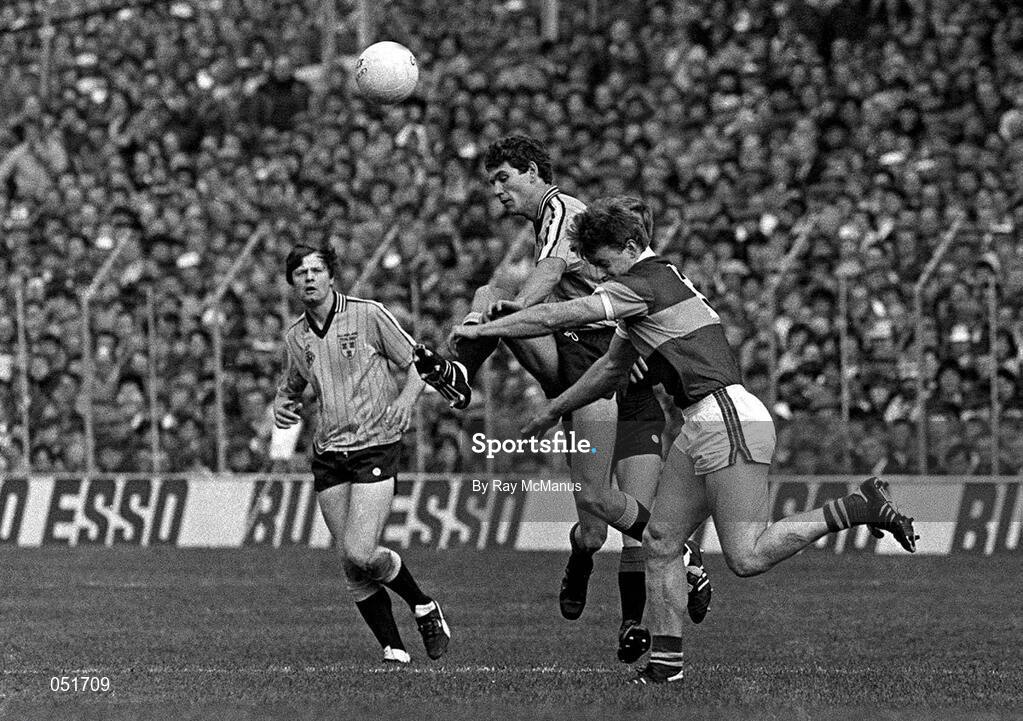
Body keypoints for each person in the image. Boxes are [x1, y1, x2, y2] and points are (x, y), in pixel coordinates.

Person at [451, 197, 918, 683]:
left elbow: (556, 317)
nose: (601, 275)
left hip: (727, 417)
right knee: (659, 539)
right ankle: (665, 667)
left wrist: (489, 326)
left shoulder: (643, 284)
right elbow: (609, 369)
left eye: (605, 264)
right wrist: (553, 409)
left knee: (746, 556)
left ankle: (858, 507)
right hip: (699, 423)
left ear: (631, 247)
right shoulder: (650, 294)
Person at [414, 137, 710, 663]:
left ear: (532, 172)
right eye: (492, 182)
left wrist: (509, 317)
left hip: (615, 366)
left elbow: (551, 278)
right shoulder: (563, 229)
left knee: (625, 528)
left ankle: (631, 626)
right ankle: (609, 554)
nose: (497, 191)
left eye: (504, 178)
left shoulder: (563, 211)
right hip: (585, 364)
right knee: (596, 517)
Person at [273, 242, 450, 665]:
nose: (309, 277)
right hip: (328, 452)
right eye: (300, 272)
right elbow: (293, 383)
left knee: (359, 551)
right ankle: (394, 648)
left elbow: (418, 364)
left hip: (375, 443)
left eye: (316, 270)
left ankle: (423, 606)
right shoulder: (296, 336)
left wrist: (406, 402)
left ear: (332, 276)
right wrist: (282, 403)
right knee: (350, 563)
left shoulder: (367, 314)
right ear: (292, 282)